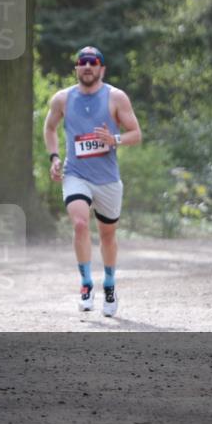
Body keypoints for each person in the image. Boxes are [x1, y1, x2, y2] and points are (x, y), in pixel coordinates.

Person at [43, 46, 142, 316]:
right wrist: (54, 157)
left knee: (108, 235)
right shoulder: (62, 99)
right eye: (82, 62)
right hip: (76, 173)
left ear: (102, 68)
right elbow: (50, 127)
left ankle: (109, 284)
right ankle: (86, 283)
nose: (87, 66)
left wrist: (115, 139)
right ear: (76, 68)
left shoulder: (116, 97)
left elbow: (136, 133)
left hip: (107, 178)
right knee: (79, 223)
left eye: (93, 62)